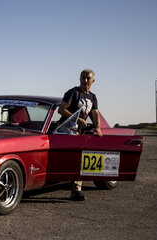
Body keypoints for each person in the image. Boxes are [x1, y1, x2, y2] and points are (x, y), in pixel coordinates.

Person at [58, 69, 103, 201]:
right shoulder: (73, 93)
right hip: (65, 130)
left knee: (81, 159)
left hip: (79, 133)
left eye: (88, 78)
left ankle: (76, 190)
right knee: (73, 158)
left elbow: (95, 113)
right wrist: (76, 119)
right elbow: (61, 109)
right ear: (79, 79)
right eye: (83, 78)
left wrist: (98, 128)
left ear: (93, 81)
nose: (85, 80)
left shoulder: (93, 97)